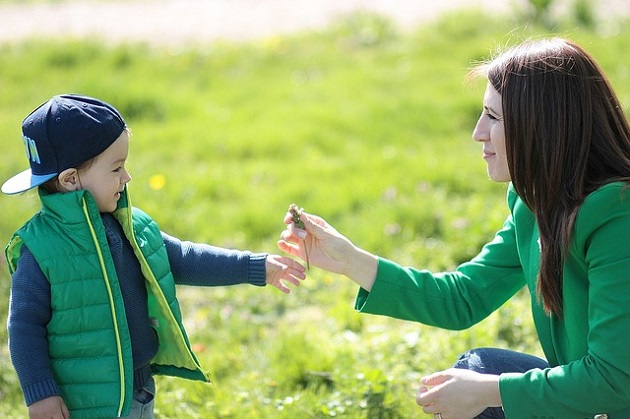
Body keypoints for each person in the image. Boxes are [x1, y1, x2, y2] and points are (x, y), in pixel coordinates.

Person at [278, 37, 630, 418]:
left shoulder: (616, 217)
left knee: (481, 384)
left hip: (610, 398)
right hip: (599, 401)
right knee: (475, 370)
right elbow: (463, 298)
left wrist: (490, 392)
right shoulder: (534, 204)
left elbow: (614, 381)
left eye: (494, 118)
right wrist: (348, 259)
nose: (478, 132)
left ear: (542, 126)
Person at [2, 94, 306, 419]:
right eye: (116, 168)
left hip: (139, 388)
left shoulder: (130, 226)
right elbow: (23, 327)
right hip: (84, 401)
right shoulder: (42, 248)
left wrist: (254, 267)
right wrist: (40, 393)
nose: (127, 177)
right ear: (70, 179)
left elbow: (183, 259)